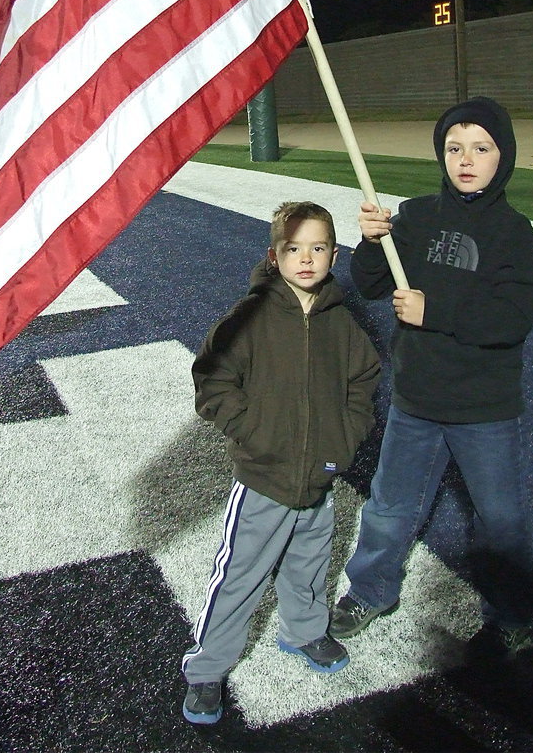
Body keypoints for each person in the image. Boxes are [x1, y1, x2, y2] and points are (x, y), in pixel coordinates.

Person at [329, 97, 533, 658]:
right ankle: (372, 590)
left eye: (481, 148)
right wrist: (374, 240)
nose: (466, 159)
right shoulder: (417, 215)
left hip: (484, 407)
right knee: (389, 505)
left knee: (500, 520)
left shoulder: (515, 232)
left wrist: (436, 313)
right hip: (416, 399)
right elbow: (372, 283)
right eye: (454, 148)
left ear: (504, 156)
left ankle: (512, 609)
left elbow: (513, 318)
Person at [181, 201, 380, 725]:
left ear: (335, 254)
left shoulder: (341, 321)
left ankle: (305, 630)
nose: (307, 258)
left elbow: (364, 380)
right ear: (275, 255)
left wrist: (346, 436)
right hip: (264, 478)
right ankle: (207, 668)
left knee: (310, 565)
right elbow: (213, 381)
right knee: (240, 575)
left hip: (321, 476)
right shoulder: (250, 317)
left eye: (318, 248)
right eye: (294, 248)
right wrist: (257, 433)